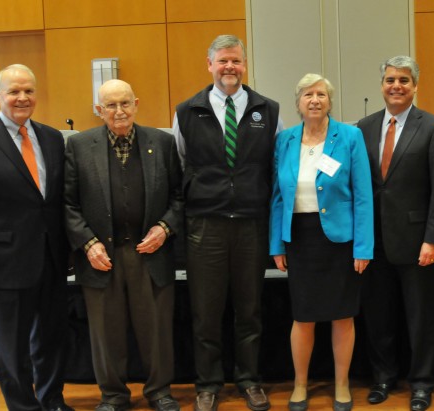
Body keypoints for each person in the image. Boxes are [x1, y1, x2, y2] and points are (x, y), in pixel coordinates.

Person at [172, 34, 282, 411]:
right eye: (222, 61)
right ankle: (208, 384)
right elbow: (180, 166)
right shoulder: (187, 111)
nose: (229, 67)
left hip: (252, 224)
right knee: (206, 312)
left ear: (244, 64)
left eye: (235, 61)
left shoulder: (267, 110)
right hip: (206, 226)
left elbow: (276, 166)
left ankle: (249, 379)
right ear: (210, 64)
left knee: (249, 311)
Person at [0, 64, 73, 411]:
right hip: (4, 267)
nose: (22, 98)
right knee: (11, 349)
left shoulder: (52, 138)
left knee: (51, 341)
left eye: (29, 91)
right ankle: (23, 407)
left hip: (51, 261)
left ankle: (52, 401)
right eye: (14, 91)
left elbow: (53, 202)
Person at [64, 79, 183, 411]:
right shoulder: (78, 146)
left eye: (125, 103)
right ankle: (113, 396)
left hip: (151, 253)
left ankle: (159, 391)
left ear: (137, 103)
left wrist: (165, 227)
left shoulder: (162, 142)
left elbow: (180, 196)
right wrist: (88, 243)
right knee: (106, 332)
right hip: (101, 256)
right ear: (99, 110)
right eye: (111, 105)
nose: (119, 111)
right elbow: (67, 204)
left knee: (156, 329)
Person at [270, 73, 374, 411]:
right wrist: (276, 245)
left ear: (329, 101)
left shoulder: (350, 136)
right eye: (307, 95)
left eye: (321, 94)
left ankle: (342, 384)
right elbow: (277, 198)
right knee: (303, 316)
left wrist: (363, 246)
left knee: (343, 316)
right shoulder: (285, 140)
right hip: (300, 240)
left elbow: (363, 196)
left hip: (340, 241)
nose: (315, 100)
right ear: (298, 103)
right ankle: (300, 385)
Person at [356, 56, 434, 411]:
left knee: (420, 317)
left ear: (415, 86)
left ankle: (422, 383)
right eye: (390, 80)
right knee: (378, 314)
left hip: (417, 242)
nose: (396, 86)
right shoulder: (362, 127)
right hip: (373, 241)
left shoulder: (433, 127)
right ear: (381, 85)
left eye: (404, 80)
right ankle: (383, 377)